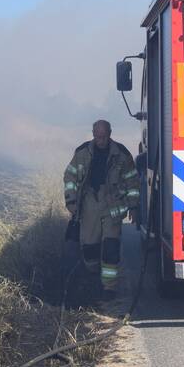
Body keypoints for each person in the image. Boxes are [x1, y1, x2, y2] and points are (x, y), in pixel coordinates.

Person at [63, 120, 139, 299]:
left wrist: (134, 206)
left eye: (103, 136)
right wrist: (71, 201)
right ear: (92, 134)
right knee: (89, 247)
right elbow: (70, 176)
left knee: (111, 248)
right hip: (90, 203)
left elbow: (132, 182)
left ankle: (109, 288)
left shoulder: (121, 154)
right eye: (97, 136)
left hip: (114, 207)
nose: (100, 140)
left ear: (110, 133)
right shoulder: (82, 153)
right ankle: (92, 273)